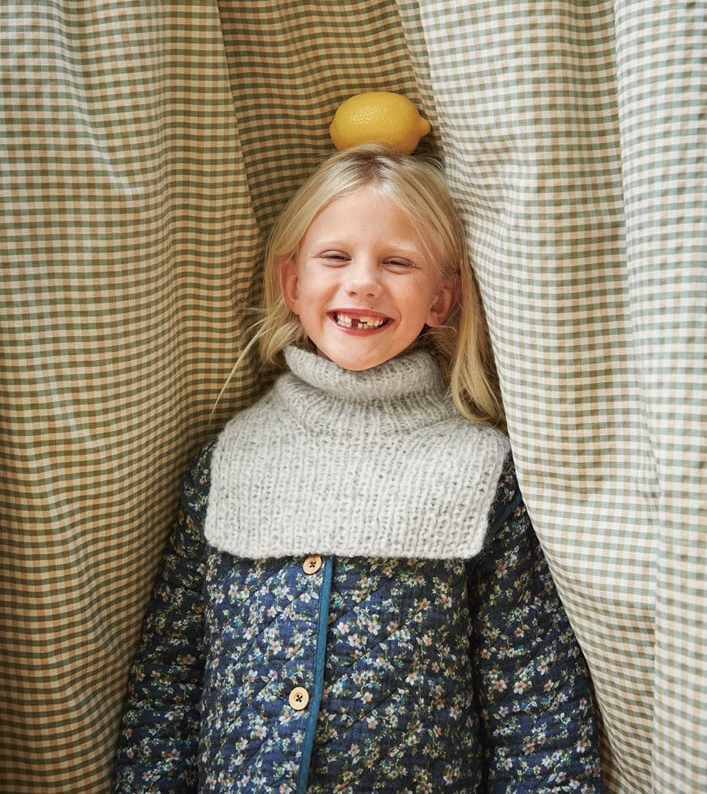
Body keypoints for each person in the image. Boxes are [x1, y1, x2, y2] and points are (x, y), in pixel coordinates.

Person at [113, 144, 604, 792]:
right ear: (292, 284)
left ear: (441, 298)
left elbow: (534, 701)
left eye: (397, 262)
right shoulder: (229, 459)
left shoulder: (483, 472)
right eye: (336, 257)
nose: (364, 281)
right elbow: (168, 680)